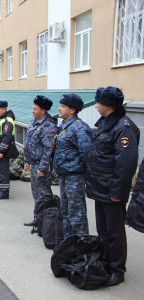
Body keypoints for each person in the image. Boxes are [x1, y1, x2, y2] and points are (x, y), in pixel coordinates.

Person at [86, 87, 140, 286]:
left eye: (98, 102)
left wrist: (117, 192)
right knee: (104, 229)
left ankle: (117, 270)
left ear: (108, 105)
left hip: (112, 191)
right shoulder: (107, 124)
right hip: (101, 188)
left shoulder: (123, 127)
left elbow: (126, 164)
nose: (96, 105)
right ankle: (106, 261)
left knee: (115, 232)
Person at [53, 94, 92, 239]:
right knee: (66, 211)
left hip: (74, 177)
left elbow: (87, 154)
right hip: (64, 175)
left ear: (73, 110)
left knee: (77, 213)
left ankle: (82, 246)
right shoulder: (65, 125)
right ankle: (69, 244)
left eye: (63, 106)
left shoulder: (79, 127)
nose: (59, 108)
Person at [23, 96, 57, 228]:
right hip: (34, 163)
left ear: (43, 111)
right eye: (32, 108)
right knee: (36, 193)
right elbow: (29, 142)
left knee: (44, 194)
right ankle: (38, 219)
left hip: (41, 166)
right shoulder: (34, 121)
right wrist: (27, 160)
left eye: (35, 109)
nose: (32, 111)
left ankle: (48, 223)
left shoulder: (48, 125)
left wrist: (42, 168)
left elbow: (48, 150)